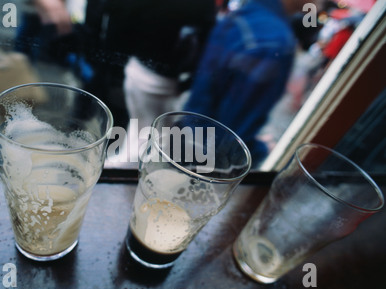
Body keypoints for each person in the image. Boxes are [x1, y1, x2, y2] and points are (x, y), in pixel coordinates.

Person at [183, 0, 322, 166]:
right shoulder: (275, 41)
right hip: (205, 162)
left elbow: (207, 95)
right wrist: (263, 150)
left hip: (190, 139)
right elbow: (227, 141)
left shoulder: (246, 14)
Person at [103, 0, 216, 161]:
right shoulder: (201, 6)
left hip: (138, 70)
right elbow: (206, 41)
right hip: (160, 81)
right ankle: (120, 170)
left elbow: (119, 23)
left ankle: (118, 168)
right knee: (151, 142)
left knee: (140, 133)